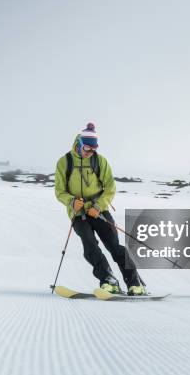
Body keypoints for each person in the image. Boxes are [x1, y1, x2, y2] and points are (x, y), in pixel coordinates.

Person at [54, 123, 145, 295]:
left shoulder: (99, 161)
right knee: (90, 247)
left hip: (99, 210)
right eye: (87, 148)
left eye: (93, 149)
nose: (90, 152)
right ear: (79, 144)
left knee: (114, 246)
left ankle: (135, 283)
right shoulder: (64, 162)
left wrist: (98, 206)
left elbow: (110, 187)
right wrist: (72, 202)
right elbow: (59, 191)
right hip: (78, 213)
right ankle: (108, 280)